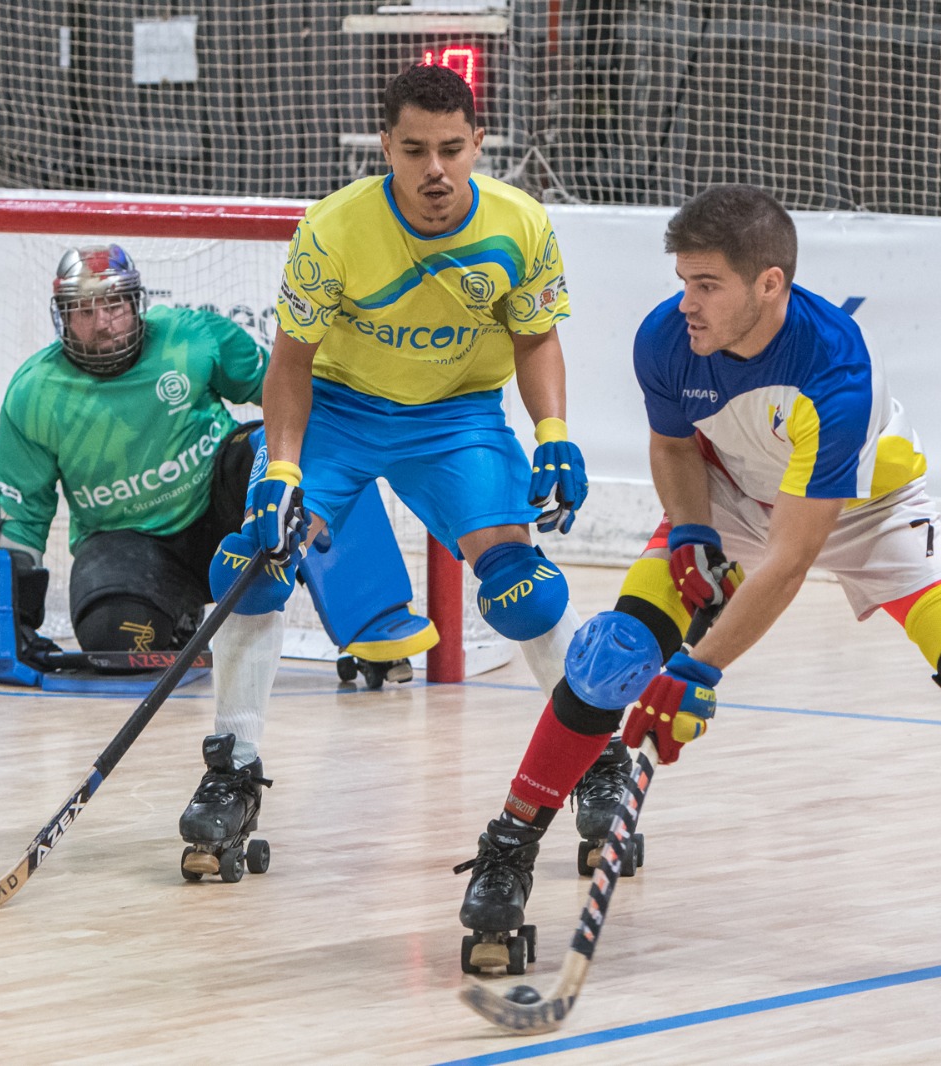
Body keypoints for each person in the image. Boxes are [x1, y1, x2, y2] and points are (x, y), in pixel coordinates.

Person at [455, 185, 941, 992]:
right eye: (683, 280)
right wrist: (690, 531)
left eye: (707, 285)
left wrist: (693, 672)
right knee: (610, 657)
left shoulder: (834, 365)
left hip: (869, 511)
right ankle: (508, 851)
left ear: (771, 284)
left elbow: (791, 561)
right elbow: (674, 446)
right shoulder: (666, 337)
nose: (686, 303)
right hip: (729, 502)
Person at [189, 64, 590, 881]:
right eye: (414, 150)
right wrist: (284, 470)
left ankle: (599, 757)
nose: (435, 170)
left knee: (526, 589)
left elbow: (535, 335)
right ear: (386, 148)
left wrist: (552, 430)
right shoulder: (333, 229)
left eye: (451, 149)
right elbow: (290, 361)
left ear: (480, 143)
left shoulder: (521, 224)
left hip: (457, 418)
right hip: (338, 407)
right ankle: (233, 765)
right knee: (251, 566)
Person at [0, 243, 433, 681]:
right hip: (126, 542)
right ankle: (176, 619)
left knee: (306, 450)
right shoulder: (32, 394)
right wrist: (11, 624)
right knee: (116, 644)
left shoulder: (194, 337)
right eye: (84, 310)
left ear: (136, 304)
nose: (103, 323)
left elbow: (286, 391)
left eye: (114, 305)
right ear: (63, 317)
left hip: (226, 503)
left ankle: (376, 617)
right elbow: (23, 516)